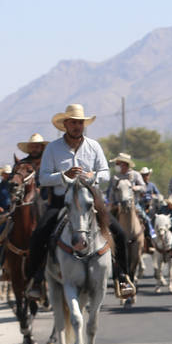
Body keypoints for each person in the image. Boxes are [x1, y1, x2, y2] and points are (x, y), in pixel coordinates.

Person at [25, 104, 134, 300]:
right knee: (39, 234)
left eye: (80, 123)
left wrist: (94, 176)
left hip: (91, 200)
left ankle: (122, 276)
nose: (77, 126)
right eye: (73, 122)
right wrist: (63, 175)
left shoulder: (94, 146)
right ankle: (36, 279)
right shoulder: (53, 148)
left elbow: (105, 174)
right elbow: (43, 178)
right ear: (65, 124)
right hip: (61, 201)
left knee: (119, 233)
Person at [108, 153, 155, 241]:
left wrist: (135, 188)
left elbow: (144, 187)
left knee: (146, 219)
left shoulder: (135, 175)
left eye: (120, 163)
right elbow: (111, 192)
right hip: (118, 205)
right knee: (109, 221)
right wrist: (111, 203)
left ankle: (150, 237)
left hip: (134, 204)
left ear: (126, 164)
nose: (119, 166)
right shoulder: (115, 177)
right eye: (118, 164)